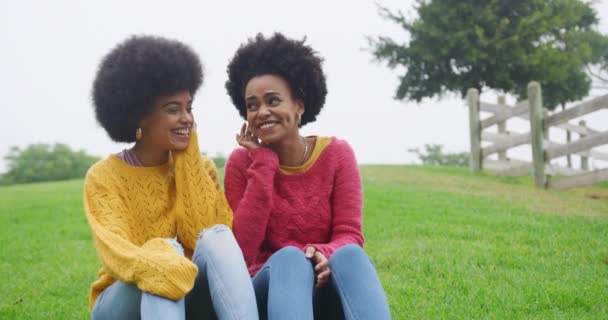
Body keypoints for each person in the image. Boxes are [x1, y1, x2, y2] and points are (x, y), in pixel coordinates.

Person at [85, 35, 258, 320]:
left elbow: (201, 236)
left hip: (187, 293)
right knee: (163, 252)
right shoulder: (104, 176)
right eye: (173, 109)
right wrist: (162, 262)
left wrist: (188, 158)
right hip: (121, 300)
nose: (187, 118)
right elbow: (116, 253)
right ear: (140, 115)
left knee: (219, 235)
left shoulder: (202, 168)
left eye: (189, 108)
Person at [224, 33, 391, 320]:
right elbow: (241, 253)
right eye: (252, 105)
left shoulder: (337, 154)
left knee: (350, 255)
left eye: (273, 100)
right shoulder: (242, 164)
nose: (262, 112)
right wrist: (263, 165)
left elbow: (349, 234)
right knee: (290, 257)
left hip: (324, 284)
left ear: (299, 105)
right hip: (269, 290)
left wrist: (320, 253)